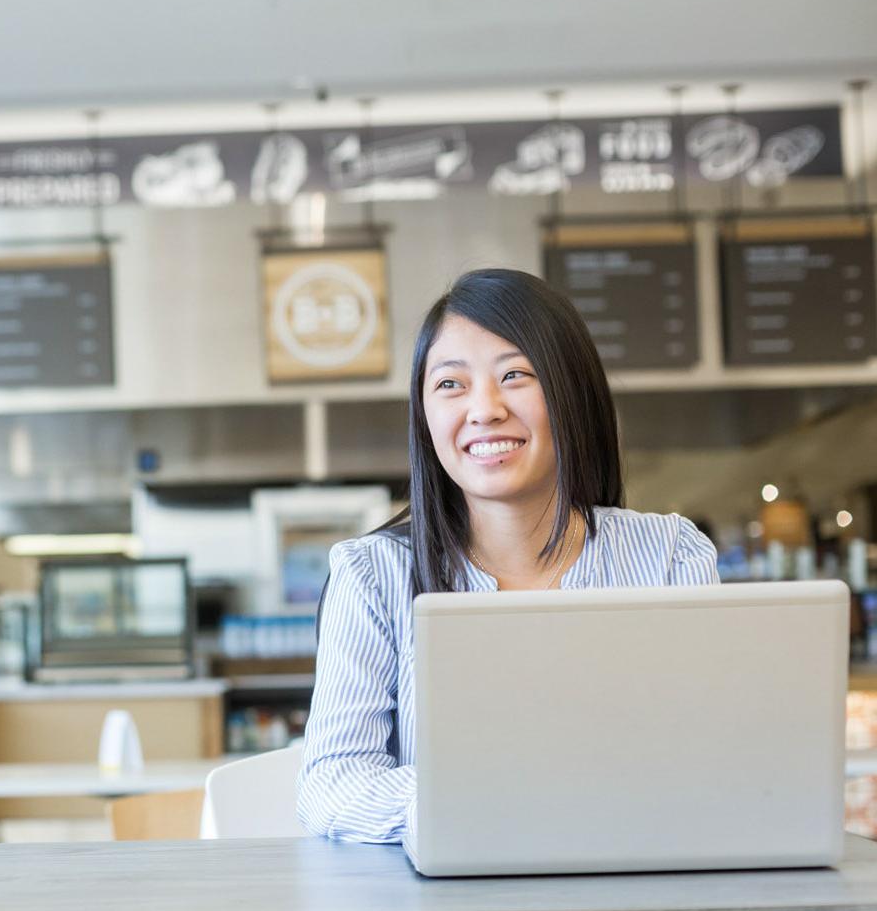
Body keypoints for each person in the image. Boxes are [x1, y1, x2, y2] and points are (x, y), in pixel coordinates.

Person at [294, 268, 719, 849]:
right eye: (450, 385)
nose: (484, 409)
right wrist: (495, 798)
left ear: (571, 392)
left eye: (515, 375)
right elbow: (333, 783)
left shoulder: (671, 556)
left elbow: (710, 757)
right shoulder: (372, 577)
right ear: (424, 415)